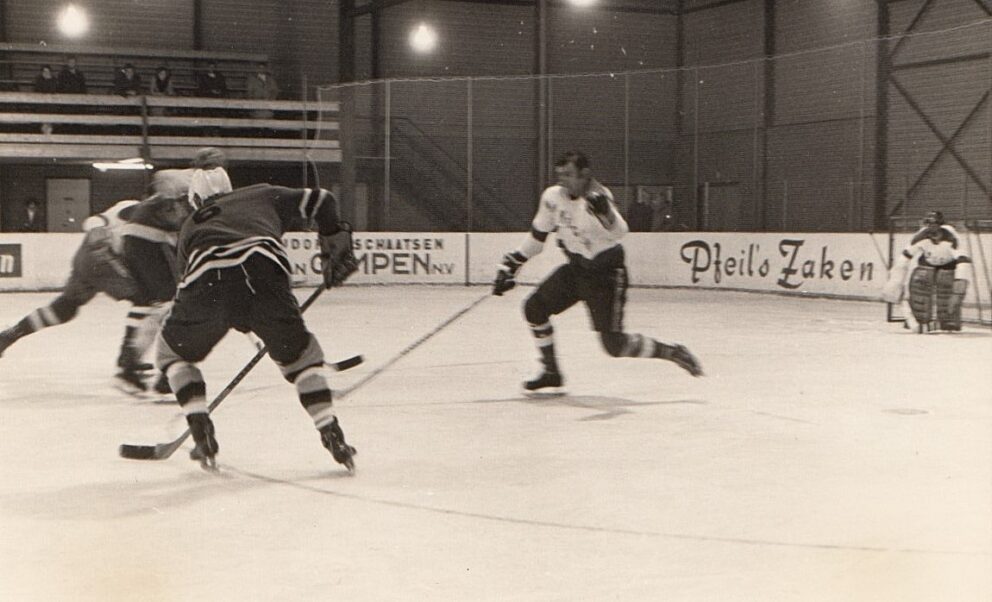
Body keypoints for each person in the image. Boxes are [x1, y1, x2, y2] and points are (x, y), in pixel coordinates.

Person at [154, 178, 359, 471]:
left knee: (172, 355)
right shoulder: (262, 194)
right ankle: (331, 433)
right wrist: (333, 241)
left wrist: (233, 314)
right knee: (301, 361)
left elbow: (189, 288)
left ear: (196, 200)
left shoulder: (190, 225)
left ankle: (201, 430)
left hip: (206, 277)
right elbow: (324, 200)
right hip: (265, 272)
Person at [492, 151, 703, 393]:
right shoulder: (552, 197)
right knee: (534, 308)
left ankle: (672, 351)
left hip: (606, 276)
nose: (562, 180)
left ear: (585, 175)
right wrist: (509, 265)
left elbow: (619, 231)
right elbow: (536, 239)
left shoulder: (598, 198)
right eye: (560, 175)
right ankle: (551, 372)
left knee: (614, 345)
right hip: (576, 270)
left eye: (569, 175)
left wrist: (606, 214)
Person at [0, 190, 191, 392]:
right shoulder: (140, 212)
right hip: (103, 258)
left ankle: (9, 336)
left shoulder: (137, 209)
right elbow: (94, 221)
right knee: (144, 300)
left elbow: (97, 220)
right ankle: (127, 366)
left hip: (88, 256)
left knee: (64, 309)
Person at [882, 211, 972, 331]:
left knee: (945, 283)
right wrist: (895, 281)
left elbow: (963, 260)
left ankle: (948, 320)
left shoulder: (951, 237)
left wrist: (959, 288)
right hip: (927, 262)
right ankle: (920, 319)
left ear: (940, 224)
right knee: (920, 281)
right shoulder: (920, 236)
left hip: (948, 264)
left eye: (933, 224)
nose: (930, 227)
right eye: (927, 223)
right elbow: (905, 257)